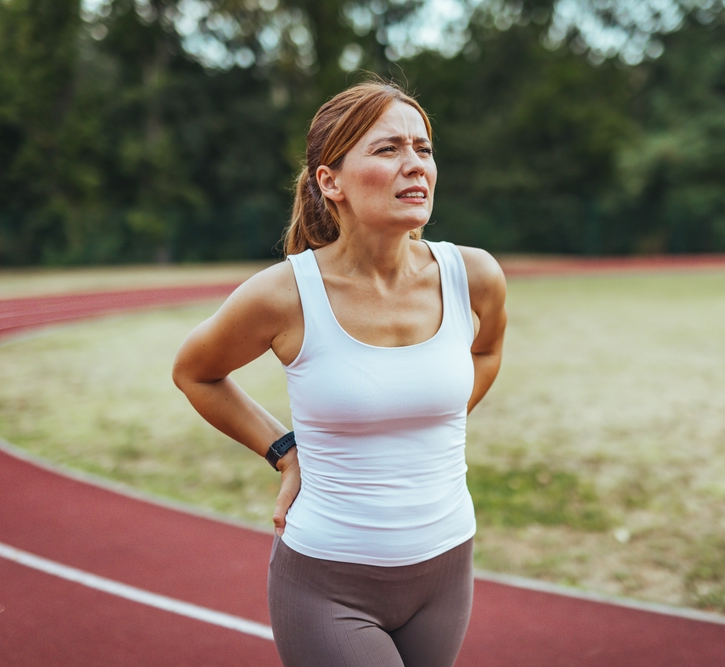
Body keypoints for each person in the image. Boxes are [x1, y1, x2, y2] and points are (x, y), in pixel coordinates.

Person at [172, 79, 507, 667]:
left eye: (423, 149)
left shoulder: (473, 276)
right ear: (331, 182)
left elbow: (486, 353)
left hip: (447, 568)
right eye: (388, 150)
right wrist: (285, 450)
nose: (415, 166)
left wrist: (438, 415)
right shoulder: (286, 294)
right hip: (329, 583)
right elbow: (195, 372)